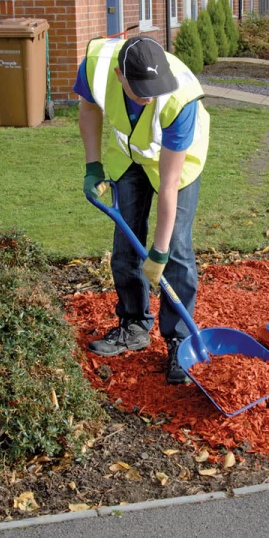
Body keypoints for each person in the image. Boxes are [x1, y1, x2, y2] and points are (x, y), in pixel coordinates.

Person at [73, 35, 210, 384]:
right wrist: (92, 166)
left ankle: (179, 341)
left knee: (176, 248)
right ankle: (134, 325)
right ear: (119, 75)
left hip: (177, 162)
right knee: (125, 244)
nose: (149, 96)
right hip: (130, 155)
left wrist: (159, 252)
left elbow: (169, 184)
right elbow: (89, 109)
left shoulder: (180, 99)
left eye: (154, 89)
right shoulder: (95, 66)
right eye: (141, 91)